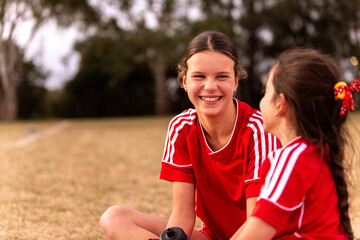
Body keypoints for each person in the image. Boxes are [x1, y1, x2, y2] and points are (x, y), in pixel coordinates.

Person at [99, 30, 279, 240]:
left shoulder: (259, 129)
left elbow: (257, 220)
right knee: (114, 218)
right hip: (214, 236)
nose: (210, 86)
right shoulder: (181, 127)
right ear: (184, 81)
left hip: (257, 236)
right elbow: (183, 214)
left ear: (236, 81)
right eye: (199, 76)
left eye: (222, 76)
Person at [232, 48, 357, 240]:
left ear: (280, 104)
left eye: (266, 92)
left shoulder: (292, 160)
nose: (261, 100)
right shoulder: (318, 152)